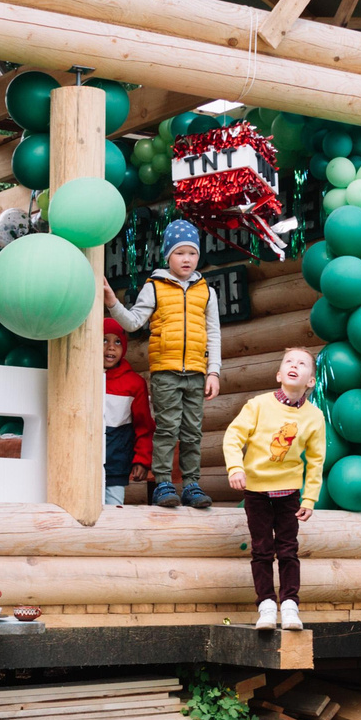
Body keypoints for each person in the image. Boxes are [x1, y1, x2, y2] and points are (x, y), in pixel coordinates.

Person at [107, 218, 218, 509]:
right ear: (168, 255)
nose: (186, 259)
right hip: (166, 371)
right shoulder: (154, 286)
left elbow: (214, 334)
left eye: (192, 253)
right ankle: (163, 483)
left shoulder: (206, 291)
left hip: (196, 372)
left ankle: (191, 484)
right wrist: (112, 303)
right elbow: (133, 322)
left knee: (192, 431)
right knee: (168, 428)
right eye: (180, 253)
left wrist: (214, 372)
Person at [222, 345, 325, 630]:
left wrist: (309, 498)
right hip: (256, 491)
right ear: (279, 374)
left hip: (289, 493)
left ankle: (290, 606)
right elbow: (233, 436)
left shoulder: (314, 416)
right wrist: (235, 467)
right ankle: (266, 605)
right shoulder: (258, 405)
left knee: (288, 550)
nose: (294, 365)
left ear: (311, 381)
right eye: (289, 362)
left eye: (302, 364)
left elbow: (316, 460)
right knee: (262, 550)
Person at [101, 318, 153, 508]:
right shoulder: (81, 377)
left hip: (116, 466)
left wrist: (142, 459)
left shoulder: (134, 384)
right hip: (82, 466)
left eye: (117, 342)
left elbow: (144, 426)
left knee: (114, 514)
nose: (111, 347)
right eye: (104, 340)